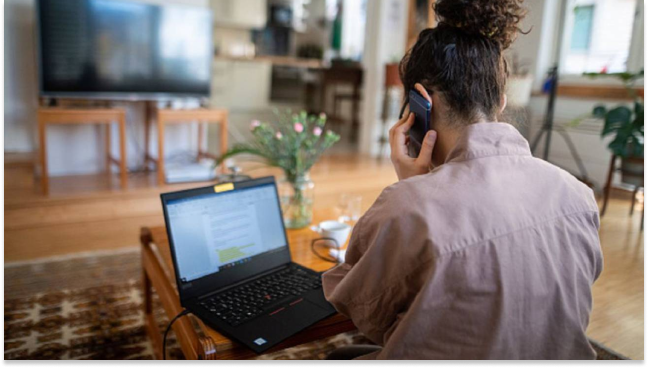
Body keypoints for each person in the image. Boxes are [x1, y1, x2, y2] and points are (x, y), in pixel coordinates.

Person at [323, 0, 603, 360]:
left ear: (421, 102)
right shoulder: (579, 196)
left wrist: (412, 188)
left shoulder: (406, 209)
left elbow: (358, 307)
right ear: (500, 102)